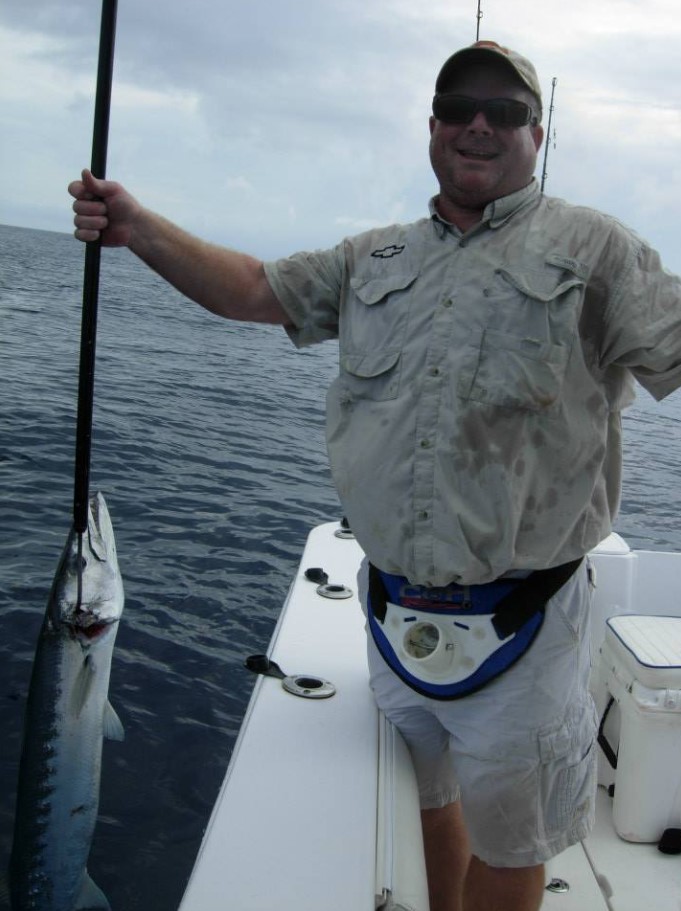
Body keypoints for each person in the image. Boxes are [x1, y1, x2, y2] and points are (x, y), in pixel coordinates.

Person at [69, 39, 681, 911]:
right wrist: (136, 230)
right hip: (391, 610)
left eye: (503, 109)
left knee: (512, 847)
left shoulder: (595, 250)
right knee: (427, 801)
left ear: (535, 132)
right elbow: (250, 287)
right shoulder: (372, 259)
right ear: (430, 126)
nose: (478, 123)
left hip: (525, 623)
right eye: (457, 105)